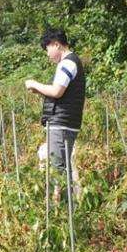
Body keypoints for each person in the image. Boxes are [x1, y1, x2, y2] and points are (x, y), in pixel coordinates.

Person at [25, 29, 85, 187]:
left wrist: (34, 84)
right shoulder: (70, 62)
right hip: (65, 122)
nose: (48, 54)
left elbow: (57, 91)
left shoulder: (68, 63)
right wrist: (40, 91)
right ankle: (64, 199)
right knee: (60, 166)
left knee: (58, 168)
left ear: (56, 44)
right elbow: (59, 93)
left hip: (62, 124)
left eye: (47, 49)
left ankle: (63, 201)